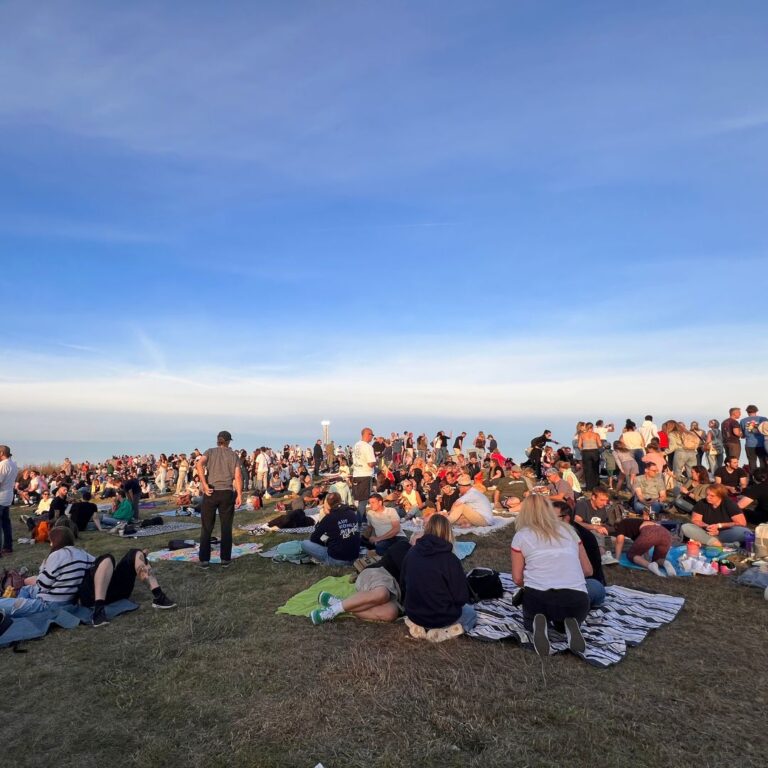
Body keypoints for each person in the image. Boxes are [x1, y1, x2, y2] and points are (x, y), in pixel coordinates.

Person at [511, 495, 592, 656]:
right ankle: (568, 623)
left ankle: (538, 623)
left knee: (530, 618)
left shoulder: (521, 536)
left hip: (538, 597)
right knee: (566, 614)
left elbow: (517, 578)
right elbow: (588, 570)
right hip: (577, 599)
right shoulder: (569, 531)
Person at [399, 515, 476, 642]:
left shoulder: (411, 553)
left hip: (414, 613)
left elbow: (403, 583)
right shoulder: (450, 560)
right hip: (442, 616)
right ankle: (444, 632)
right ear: (448, 532)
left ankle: (418, 626)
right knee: (470, 613)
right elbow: (461, 597)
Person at [310, 539, 411, 625]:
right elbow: (410, 574)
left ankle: (342, 604)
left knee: (390, 613)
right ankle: (332, 611)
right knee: (382, 593)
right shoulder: (404, 546)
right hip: (379, 574)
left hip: (396, 594)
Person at [196, 430, 243, 569]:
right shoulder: (233, 455)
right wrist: (240, 494)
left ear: (218, 440)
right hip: (226, 492)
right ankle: (225, 559)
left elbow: (199, 464)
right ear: (228, 442)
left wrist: (204, 484)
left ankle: (204, 559)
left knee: (206, 527)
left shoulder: (209, 452)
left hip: (211, 492)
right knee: (226, 527)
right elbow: (238, 476)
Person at [554, 501, 606, 607]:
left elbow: (587, 571)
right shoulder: (553, 533)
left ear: (566, 518)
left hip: (584, 581)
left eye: (552, 517)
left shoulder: (578, 536)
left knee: (595, 588)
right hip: (560, 580)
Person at [300, 492, 360, 565]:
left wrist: (325, 538)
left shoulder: (329, 517)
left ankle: (324, 560)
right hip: (354, 556)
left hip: (337, 559)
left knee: (305, 543)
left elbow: (314, 539)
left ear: (328, 504)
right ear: (340, 500)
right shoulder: (352, 513)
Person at [681, 485, 750, 547]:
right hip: (706, 532)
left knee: (745, 532)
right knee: (686, 527)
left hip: (725, 532)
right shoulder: (702, 503)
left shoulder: (729, 504)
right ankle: (720, 544)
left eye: (712, 496)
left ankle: (711, 542)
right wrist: (707, 526)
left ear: (720, 496)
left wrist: (719, 525)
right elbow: (695, 520)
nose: (708, 497)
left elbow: (742, 523)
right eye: (707, 494)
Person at [611, 517, 676, 577]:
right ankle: (666, 563)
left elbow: (619, 541)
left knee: (631, 554)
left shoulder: (622, 523)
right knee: (657, 560)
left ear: (616, 526)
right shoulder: (635, 524)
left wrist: (617, 559)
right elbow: (644, 546)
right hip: (666, 533)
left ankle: (650, 566)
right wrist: (646, 558)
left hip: (651, 531)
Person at [573, 486, 617, 565]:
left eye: (606, 500)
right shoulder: (582, 505)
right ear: (593, 497)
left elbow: (603, 523)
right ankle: (603, 556)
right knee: (595, 532)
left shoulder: (602, 507)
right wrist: (595, 527)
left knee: (622, 541)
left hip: (600, 536)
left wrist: (605, 527)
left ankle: (607, 551)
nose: (604, 503)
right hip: (584, 534)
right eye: (602, 500)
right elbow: (576, 522)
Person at [352, 427, 377, 525]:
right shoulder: (368, 447)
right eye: (372, 435)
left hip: (356, 475)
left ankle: (363, 519)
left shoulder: (356, 445)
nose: (372, 437)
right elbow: (370, 463)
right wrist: (376, 461)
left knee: (361, 499)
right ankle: (357, 523)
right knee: (364, 501)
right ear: (368, 434)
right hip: (365, 475)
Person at [0, 445, 19, 555]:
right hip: (8, 497)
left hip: (1, 497)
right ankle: (8, 547)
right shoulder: (13, 464)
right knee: (6, 523)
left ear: (2, 453)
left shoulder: (2, 465)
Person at [740, 405, 767, 474]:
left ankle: (753, 478)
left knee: (752, 462)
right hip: (762, 444)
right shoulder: (764, 419)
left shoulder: (743, 421)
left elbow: (742, 435)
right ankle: (764, 478)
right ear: (756, 411)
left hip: (749, 444)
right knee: (763, 461)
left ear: (747, 412)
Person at [578, 422, 602, 491]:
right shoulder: (596, 435)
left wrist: (582, 450)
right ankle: (596, 486)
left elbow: (579, 445)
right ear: (592, 427)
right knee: (595, 469)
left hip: (586, 452)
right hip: (594, 452)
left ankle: (589, 487)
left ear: (586, 427)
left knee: (587, 470)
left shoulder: (582, 435)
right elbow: (600, 444)